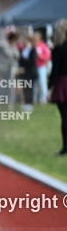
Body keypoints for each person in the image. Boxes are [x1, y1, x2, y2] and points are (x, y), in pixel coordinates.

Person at [48, 19, 67, 155]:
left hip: (62, 83)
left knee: (65, 117)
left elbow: (55, 71)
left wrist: (49, 87)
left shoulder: (57, 49)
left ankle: (65, 148)